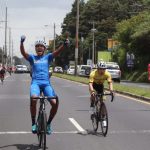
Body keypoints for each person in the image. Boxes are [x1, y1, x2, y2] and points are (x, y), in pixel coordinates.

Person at [20, 35, 69, 134]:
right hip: (36, 83)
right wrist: (21, 43)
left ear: (44, 48)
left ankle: (49, 123)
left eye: (41, 46)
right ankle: (34, 123)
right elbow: (23, 53)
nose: (39, 47)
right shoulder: (32, 58)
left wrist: (64, 44)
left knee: (54, 103)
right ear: (35, 48)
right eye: (37, 46)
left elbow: (57, 52)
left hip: (46, 84)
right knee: (34, 98)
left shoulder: (48, 57)